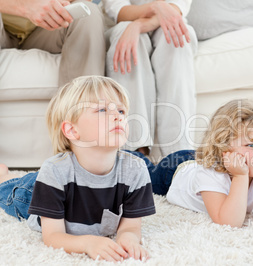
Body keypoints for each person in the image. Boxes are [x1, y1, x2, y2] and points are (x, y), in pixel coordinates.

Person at [0, 76, 155, 262]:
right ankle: (5, 175)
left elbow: (130, 226)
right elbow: (52, 236)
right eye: (102, 109)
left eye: (121, 110)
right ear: (72, 131)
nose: (118, 116)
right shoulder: (54, 171)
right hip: (33, 192)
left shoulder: (136, 169)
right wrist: (88, 243)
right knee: (12, 189)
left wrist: (128, 240)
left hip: (62, 185)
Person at [136, 99, 253, 228]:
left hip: (196, 159)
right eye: (251, 145)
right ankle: (129, 154)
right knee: (144, 171)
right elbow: (228, 222)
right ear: (223, 144)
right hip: (174, 170)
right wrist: (240, 176)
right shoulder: (210, 173)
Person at [103, 0, 197, 156]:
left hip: (165, 25)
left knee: (176, 33)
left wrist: (138, 25)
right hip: (124, 26)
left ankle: (179, 155)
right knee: (125, 32)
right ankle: (134, 151)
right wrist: (156, 7)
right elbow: (120, 12)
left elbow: (174, 11)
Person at [0, 0, 105, 86]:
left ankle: (83, 105)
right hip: (4, 31)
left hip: (41, 32)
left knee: (88, 13)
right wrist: (27, 6)